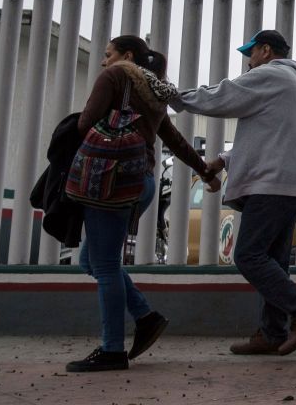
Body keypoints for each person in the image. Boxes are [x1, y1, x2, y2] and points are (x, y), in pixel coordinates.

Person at [169, 29, 296, 356]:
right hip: (288, 183)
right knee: (273, 261)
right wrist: (224, 160)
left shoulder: (271, 73)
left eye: (251, 54)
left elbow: (223, 96)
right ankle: (272, 334)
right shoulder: (295, 85)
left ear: (266, 50)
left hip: (271, 184)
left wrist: (175, 97)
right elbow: (268, 137)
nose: (248, 62)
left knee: (248, 255)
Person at [67, 36, 219, 372]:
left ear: (127, 55)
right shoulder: (152, 90)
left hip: (110, 181)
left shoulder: (114, 77)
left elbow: (84, 124)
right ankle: (145, 316)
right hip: (142, 182)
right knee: (91, 261)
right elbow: (175, 140)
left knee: (103, 266)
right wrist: (204, 171)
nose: (104, 62)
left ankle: (112, 350)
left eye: (108, 55)